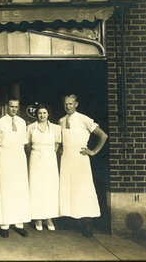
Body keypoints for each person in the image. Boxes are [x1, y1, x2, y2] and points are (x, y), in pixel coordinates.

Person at [58, 94, 108, 237]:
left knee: (83, 189)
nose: (68, 106)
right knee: (68, 188)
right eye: (66, 104)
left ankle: (87, 223)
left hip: (80, 159)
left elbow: (103, 136)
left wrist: (93, 151)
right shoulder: (61, 120)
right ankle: (71, 220)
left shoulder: (84, 119)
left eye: (71, 104)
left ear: (76, 104)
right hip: (66, 159)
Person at [0, 98, 30, 238]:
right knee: (5, 190)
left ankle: (18, 223)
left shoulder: (22, 122)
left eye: (16, 107)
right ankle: (4, 224)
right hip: (5, 160)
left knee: (19, 190)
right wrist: (1, 160)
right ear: (7, 107)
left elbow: (24, 143)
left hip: (19, 159)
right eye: (11, 106)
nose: (14, 109)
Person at [26, 104, 61, 231]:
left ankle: (49, 218)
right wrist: (37, 153)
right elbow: (28, 145)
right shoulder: (31, 127)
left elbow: (57, 145)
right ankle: (38, 218)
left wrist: (48, 154)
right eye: (40, 113)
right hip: (35, 159)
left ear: (48, 114)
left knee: (50, 188)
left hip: (50, 160)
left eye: (44, 113)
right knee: (36, 188)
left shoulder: (56, 128)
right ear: (37, 114)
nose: (42, 115)